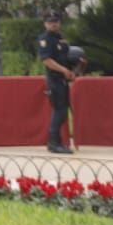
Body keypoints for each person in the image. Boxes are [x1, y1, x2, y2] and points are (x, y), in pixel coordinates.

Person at [38, 13, 76, 154]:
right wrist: (63, 70)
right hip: (54, 80)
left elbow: (67, 58)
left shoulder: (61, 39)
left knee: (63, 111)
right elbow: (47, 60)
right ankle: (53, 143)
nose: (53, 24)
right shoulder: (45, 39)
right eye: (50, 22)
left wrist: (73, 70)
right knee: (59, 111)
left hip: (63, 79)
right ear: (45, 24)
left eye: (56, 21)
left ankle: (57, 142)